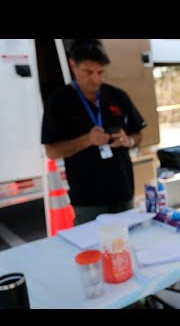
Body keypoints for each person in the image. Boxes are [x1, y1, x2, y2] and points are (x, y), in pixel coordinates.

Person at [41, 39, 147, 225]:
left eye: (100, 72)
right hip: (88, 199)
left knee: (126, 246)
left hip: (123, 192)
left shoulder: (117, 96)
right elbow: (52, 151)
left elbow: (138, 135)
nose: (96, 79)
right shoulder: (59, 101)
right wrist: (87, 140)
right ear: (73, 65)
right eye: (88, 72)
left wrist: (127, 140)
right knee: (93, 250)